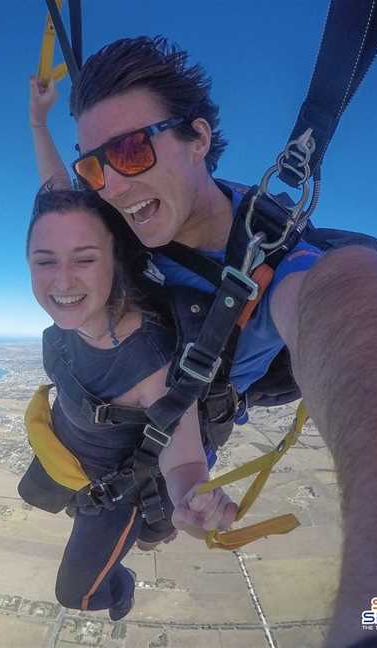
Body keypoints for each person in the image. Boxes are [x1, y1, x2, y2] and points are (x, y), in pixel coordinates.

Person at [34, 37, 377, 645]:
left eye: (133, 150)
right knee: (50, 488)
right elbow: (60, 194)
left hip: (162, 449)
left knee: (143, 527)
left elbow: (345, 311)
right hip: (94, 419)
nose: (110, 184)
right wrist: (40, 121)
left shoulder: (282, 266)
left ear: (197, 138)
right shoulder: (123, 209)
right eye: (96, 164)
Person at [23, 184, 237, 621]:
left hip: (115, 490)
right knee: (32, 493)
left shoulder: (150, 360)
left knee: (77, 595)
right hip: (69, 450)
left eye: (84, 259)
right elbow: (61, 204)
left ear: (115, 260)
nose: (62, 281)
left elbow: (183, 460)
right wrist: (39, 125)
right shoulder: (75, 315)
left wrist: (192, 499)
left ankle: (124, 583)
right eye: (45, 261)